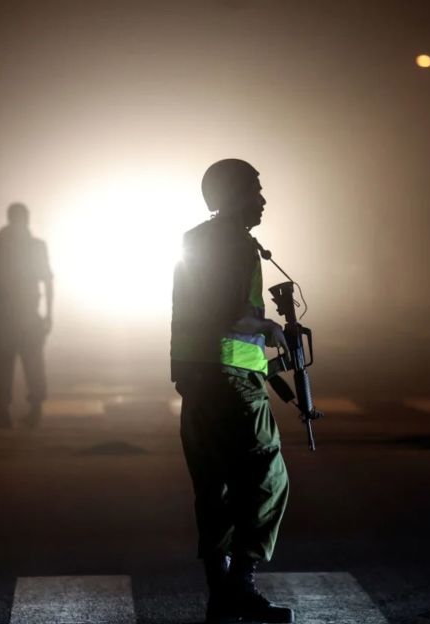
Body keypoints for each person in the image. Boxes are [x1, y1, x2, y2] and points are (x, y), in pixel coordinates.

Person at [170, 159, 293, 624]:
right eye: (254, 192)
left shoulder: (193, 241)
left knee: (212, 486)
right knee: (266, 479)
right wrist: (271, 328)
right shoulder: (238, 248)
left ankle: (219, 595)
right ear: (231, 196)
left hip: (196, 383)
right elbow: (230, 316)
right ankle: (240, 584)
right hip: (234, 385)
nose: (262, 200)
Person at [0, 202, 53, 429]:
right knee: (31, 365)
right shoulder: (35, 246)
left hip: (6, 315)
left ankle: (4, 412)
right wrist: (49, 314)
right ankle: (31, 410)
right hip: (24, 314)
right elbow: (47, 281)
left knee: (5, 365)